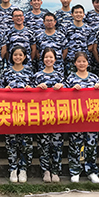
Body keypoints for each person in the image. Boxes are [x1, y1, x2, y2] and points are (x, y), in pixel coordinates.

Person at [65, 52, 99, 184]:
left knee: (91, 145)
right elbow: (63, 97)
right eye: (79, 61)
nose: (81, 64)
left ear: (88, 63)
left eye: (84, 61)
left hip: (92, 118)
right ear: (75, 63)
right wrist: (71, 90)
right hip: (76, 117)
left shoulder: (94, 78)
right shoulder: (70, 78)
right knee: (75, 144)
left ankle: (91, 171)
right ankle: (75, 171)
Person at [0, 46, 34, 183]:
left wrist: (31, 89)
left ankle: (23, 168)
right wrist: (4, 90)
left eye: (20, 55)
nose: (18, 57)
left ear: (24, 57)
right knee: (11, 141)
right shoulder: (6, 72)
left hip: (26, 112)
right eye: (15, 55)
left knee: (26, 142)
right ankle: (13, 168)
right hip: (10, 112)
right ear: (11, 56)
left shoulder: (30, 71)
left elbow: (37, 90)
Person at [32, 48, 64, 183]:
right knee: (43, 143)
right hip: (42, 114)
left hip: (57, 115)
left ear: (55, 59)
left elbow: (68, 94)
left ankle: (56, 170)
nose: (48, 60)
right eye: (46, 57)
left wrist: (62, 87)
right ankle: (45, 170)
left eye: (51, 57)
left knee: (57, 144)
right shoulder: (37, 76)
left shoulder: (60, 76)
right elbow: (30, 95)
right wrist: (37, 88)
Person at [64, 4, 92, 75]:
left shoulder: (88, 29)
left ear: (83, 14)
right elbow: (63, 45)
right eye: (76, 12)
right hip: (70, 60)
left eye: (80, 12)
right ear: (72, 14)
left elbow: (91, 46)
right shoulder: (66, 28)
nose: (78, 14)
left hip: (84, 62)